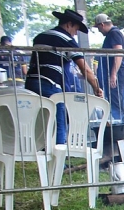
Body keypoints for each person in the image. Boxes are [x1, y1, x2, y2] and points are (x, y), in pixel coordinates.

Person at [25, 9, 103, 145]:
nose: (75, 34)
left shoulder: (40, 36)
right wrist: (96, 88)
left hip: (31, 83)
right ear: (69, 25)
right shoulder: (66, 39)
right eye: (75, 30)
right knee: (58, 121)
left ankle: (43, 154)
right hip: (50, 84)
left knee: (40, 122)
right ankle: (59, 160)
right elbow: (85, 68)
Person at [94, 14, 124, 121]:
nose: (99, 31)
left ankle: (121, 126)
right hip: (111, 74)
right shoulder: (111, 35)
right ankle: (119, 124)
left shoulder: (114, 33)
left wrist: (113, 74)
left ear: (102, 25)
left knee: (116, 102)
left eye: (99, 28)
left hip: (117, 74)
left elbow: (118, 53)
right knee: (113, 101)